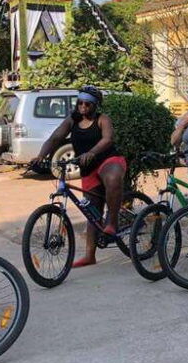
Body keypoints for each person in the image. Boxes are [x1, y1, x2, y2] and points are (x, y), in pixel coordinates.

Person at [30, 85, 126, 268]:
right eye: (80, 102)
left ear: (95, 105)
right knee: (91, 210)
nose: (83, 106)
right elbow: (55, 138)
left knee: (112, 179)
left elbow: (108, 138)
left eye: (87, 104)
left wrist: (92, 152)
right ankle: (90, 255)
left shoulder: (102, 119)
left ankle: (112, 222)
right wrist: (41, 156)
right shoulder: (71, 121)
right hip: (87, 167)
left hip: (109, 160)